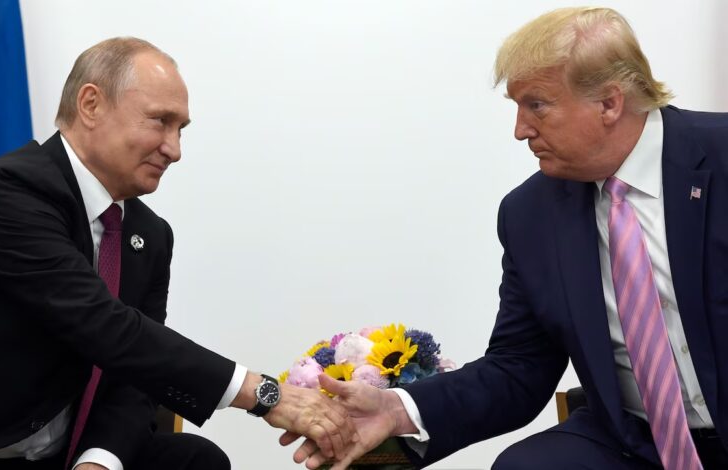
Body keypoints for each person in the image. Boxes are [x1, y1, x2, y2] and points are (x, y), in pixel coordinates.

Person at [288, 7, 728, 470]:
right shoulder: (530, 213)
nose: (520, 130)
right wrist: (399, 408)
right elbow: (519, 367)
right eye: (517, 107)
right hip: (633, 440)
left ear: (609, 103)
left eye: (537, 105)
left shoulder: (719, 157)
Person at [0, 37, 355, 470]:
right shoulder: (8, 193)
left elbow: (134, 377)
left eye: (181, 129)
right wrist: (262, 394)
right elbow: (104, 326)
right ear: (91, 105)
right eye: (160, 121)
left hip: (67, 454)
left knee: (196, 460)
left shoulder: (149, 233)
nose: (175, 149)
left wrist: (99, 462)